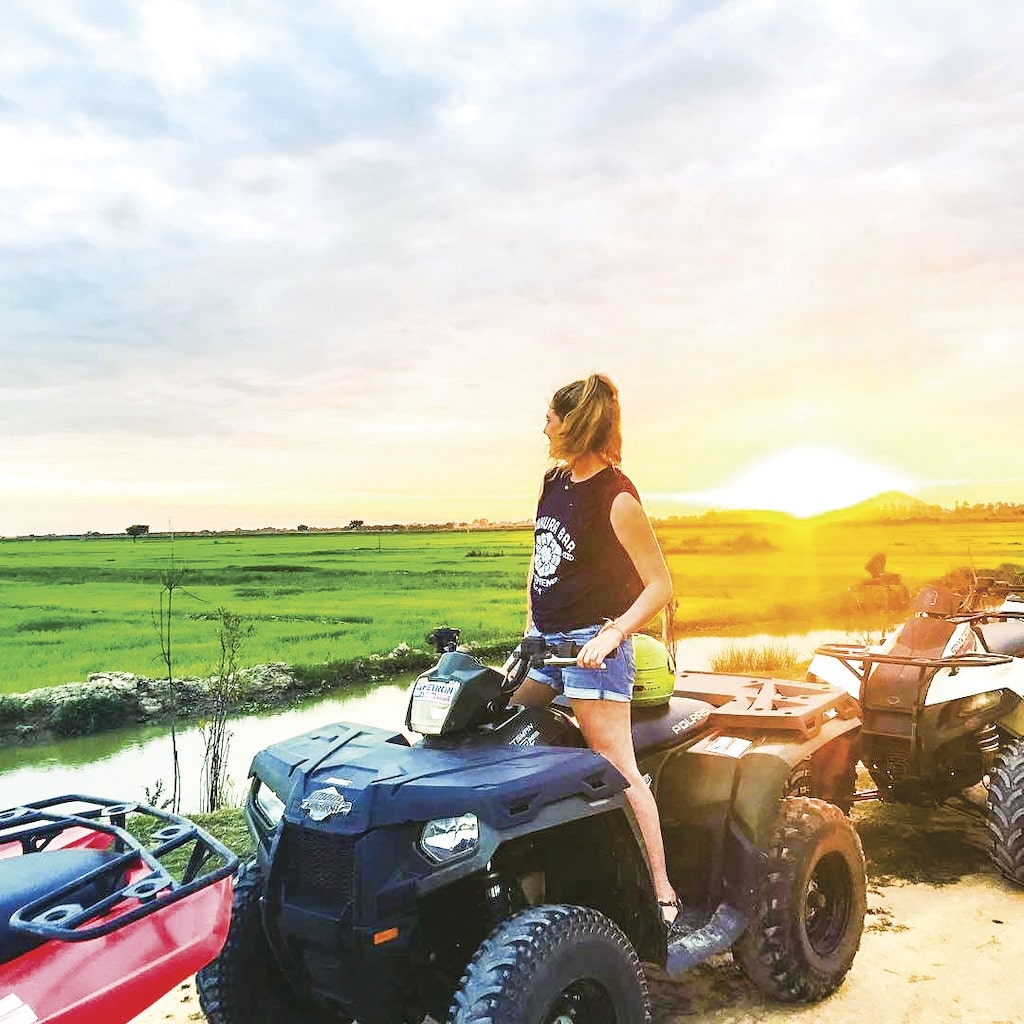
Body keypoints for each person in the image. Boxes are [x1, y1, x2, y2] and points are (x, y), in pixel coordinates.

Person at [513, 373, 681, 930]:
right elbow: (540, 562)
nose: (544, 426)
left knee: (615, 764)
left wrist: (613, 634)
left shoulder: (618, 497)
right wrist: (528, 628)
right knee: (507, 728)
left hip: (593, 648)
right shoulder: (554, 482)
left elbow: (659, 586)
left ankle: (660, 891)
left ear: (575, 422)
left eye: (551, 417)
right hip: (548, 645)